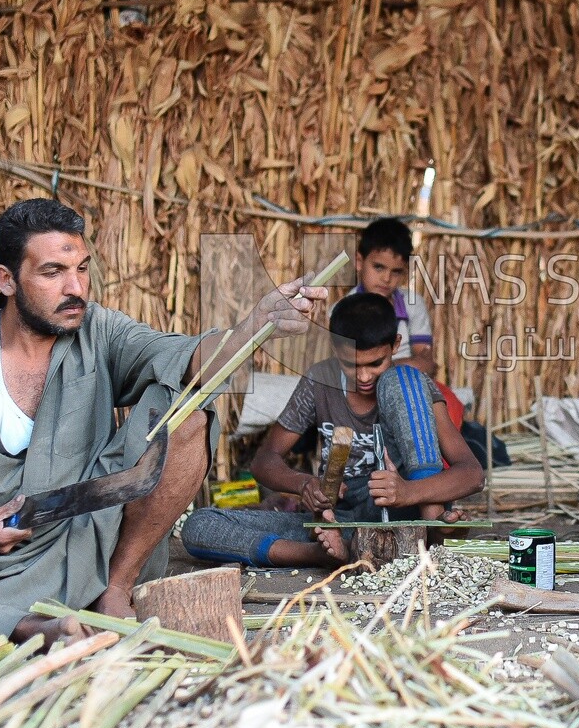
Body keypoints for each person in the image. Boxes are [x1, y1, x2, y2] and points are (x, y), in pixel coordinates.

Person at [0, 199, 326, 645]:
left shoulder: (100, 331)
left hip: (95, 547)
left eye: (82, 269)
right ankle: (22, 626)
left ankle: (114, 594)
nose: (76, 287)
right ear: (6, 279)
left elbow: (189, 358)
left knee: (188, 411)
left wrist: (254, 325)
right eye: (53, 272)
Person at [181, 292, 483, 567]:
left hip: (409, 517)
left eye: (375, 363)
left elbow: (472, 474)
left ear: (395, 346)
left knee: (402, 379)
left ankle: (433, 537)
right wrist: (305, 485)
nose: (364, 376)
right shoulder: (320, 380)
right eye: (351, 365)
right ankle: (328, 554)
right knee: (199, 526)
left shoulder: (410, 388)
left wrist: (407, 492)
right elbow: (264, 461)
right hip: (341, 522)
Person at [354, 218, 437, 377]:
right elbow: (353, 369)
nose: (386, 278)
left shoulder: (412, 304)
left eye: (396, 271)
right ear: (359, 261)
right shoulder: (343, 308)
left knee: (447, 399)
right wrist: (407, 363)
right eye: (379, 267)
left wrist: (380, 367)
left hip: (408, 382)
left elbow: (426, 364)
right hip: (365, 385)